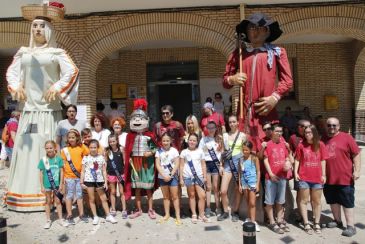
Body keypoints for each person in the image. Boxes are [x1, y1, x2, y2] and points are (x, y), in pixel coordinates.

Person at [6, 4, 79, 211]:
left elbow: (72, 72)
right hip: (29, 111)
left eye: (41, 26)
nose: (37, 29)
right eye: (35, 26)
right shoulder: (23, 53)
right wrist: (16, 86)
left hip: (49, 111)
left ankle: (53, 196)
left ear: (48, 30)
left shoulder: (57, 53)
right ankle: (24, 193)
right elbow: (12, 73)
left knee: (46, 149)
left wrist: (57, 87)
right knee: (27, 149)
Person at [222, 12, 293, 152]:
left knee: (267, 149)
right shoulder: (239, 53)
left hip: (265, 111)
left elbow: (288, 81)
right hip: (244, 113)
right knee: (244, 151)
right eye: (250, 28)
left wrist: (275, 97)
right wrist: (233, 79)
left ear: (266, 31)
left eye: (258, 27)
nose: (253, 31)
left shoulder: (278, 52)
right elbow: (225, 81)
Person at [322, 117, 361, 237]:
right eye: (329, 125)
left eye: (334, 125)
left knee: (347, 202)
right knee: (332, 200)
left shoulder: (346, 137)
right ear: (326, 126)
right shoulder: (323, 139)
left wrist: (357, 171)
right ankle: (337, 221)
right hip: (328, 178)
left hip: (345, 178)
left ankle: (350, 226)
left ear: (338, 126)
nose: (331, 127)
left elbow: (356, 154)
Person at [124, 99, 157, 220]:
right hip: (135, 164)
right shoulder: (129, 136)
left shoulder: (150, 135)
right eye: (135, 118)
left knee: (148, 188)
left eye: (140, 118)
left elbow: (156, 148)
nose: (137, 121)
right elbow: (127, 151)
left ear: (147, 121)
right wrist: (129, 159)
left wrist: (151, 152)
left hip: (147, 165)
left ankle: (150, 209)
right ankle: (138, 209)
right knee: (137, 187)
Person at [294, 125, 328, 234]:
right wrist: (295, 172)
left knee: (317, 201)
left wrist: (324, 174)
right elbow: (297, 159)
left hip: (317, 178)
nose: (307, 134)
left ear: (314, 133)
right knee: (304, 201)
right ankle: (306, 223)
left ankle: (316, 223)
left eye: (309, 132)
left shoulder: (320, 145)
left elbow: (323, 160)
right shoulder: (301, 145)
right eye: (306, 132)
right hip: (304, 177)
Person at [80, 139, 117, 225]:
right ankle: (95, 216)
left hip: (99, 181)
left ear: (98, 148)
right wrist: (81, 182)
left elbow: (104, 171)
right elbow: (83, 171)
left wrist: (105, 182)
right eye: (91, 147)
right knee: (92, 199)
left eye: (95, 147)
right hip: (89, 181)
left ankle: (108, 215)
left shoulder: (101, 158)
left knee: (103, 198)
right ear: (88, 148)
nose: (93, 149)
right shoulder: (85, 158)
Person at [218, 115, 247, 222]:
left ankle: (235, 211)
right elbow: (222, 151)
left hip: (239, 163)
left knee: (238, 190)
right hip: (228, 164)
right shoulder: (225, 135)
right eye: (230, 122)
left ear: (237, 123)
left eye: (234, 122)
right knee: (223, 190)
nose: (232, 124)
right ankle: (225, 211)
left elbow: (245, 151)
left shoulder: (243, 136)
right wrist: (220, 165)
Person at [263, 123, 291, 234]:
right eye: (277, 131)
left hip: (282, 177)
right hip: (271, 178)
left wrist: (288, 162)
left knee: (280, 200)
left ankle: (279, 220)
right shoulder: (268, 145)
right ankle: (272, 222)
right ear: (272, 132)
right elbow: (265, 160)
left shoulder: (284, 144)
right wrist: (270, 174)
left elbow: (287, 157)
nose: (279, 133)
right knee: (269, 201)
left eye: (281, 131)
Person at [60, 129, 89, 226]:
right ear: (67, 139)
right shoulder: (65, 150)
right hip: (69, 177)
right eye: (69, 137)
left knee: (80, 195)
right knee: (69, 196)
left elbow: (88, 155)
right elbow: (63, 164)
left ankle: (81, 214)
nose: (71, 139)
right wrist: (63, 178)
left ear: (77, 138)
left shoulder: (82, 147)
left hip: (79, 177)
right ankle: (69, 215)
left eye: (73, 137)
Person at [180, 133, 209, 223]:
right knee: (191, 196)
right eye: (190, 140)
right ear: (187, 141)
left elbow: (203, 165)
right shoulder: (184, 152)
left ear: (197, 142)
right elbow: (181, 166)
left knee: (202, 196)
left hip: (199, 176)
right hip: (188, 177)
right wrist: (181, 178)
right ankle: (194, 214)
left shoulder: (200, 151)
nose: (192, 142)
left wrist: (205, 176)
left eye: (194, 140)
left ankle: (201, 214)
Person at [155, 133, 181, 225]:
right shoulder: (159, 151)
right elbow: (157, 164)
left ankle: (178, 215)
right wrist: (164, 175)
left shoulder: (174, 150)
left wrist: (170, 174)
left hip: (172, 177)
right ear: (161, 142)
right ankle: (167, 214)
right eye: (163, 141)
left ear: (170, 141)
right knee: (166, 197)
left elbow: (177, 163)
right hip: (162, 177)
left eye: (167, 140)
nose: (165, 142)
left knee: (175, 197)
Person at [198, 121, 223, 217]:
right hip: (207, 164)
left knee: (216, 188)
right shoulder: (203, 140)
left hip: (216, 164)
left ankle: (218, 208)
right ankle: (207, 208)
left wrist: (221, 165)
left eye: (213, 127)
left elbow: (221, 154)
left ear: (216, 128)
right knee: (208, 187)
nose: (211, 129)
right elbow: (200, 153)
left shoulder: (219, 139)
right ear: (207, 129)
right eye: (209, 128)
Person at [37, 140, 64, 229]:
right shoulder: (43, 160)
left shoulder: (59, 159)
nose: (49, 150)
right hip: (47, 184)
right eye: (47, 148)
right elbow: (41, 173)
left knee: (58, 201)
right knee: (48, 201)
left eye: (51, 148)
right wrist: (41, 186)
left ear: (55, 148)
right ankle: (48, 220)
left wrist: (61, 184)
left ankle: (60, 219)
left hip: (56, 184)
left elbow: (62, 172)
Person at [238, 140, 260, 231]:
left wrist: (257, 184)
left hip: (252, 183)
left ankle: (253, 222)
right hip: (244, 183)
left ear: (250, 150)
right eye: (243, 150)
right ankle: (248, 218)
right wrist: (239, 184)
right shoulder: (241, 159)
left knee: (252, 203)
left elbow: (258, 172)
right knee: (247, 202)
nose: (245, 152)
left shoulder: (254, 158)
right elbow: (240, 172)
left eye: (247, 150)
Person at [105, 134, 127, 219]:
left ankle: (124, 209)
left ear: (117, 141)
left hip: (120, 174)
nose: (112, 143)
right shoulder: (107, 151)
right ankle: (113, 209)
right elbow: (106, 162)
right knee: (113, 192)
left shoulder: (121, 149)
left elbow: (124, 161)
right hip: (111, 174)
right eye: (110, 142)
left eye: (113, 141)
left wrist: (125, 172)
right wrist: (106, 174)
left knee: (122, 192)